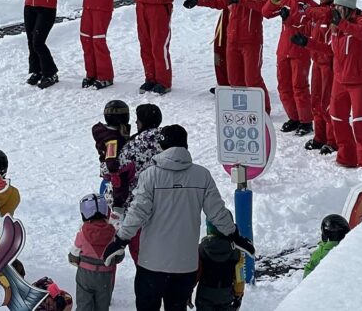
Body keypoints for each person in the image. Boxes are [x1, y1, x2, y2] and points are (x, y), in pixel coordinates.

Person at [102, 125, 254, 311]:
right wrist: (234, 235)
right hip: (185, 266)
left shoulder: (150, 176)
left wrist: (120, 240)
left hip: (151, 264)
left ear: (162, 146)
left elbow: (137, 213)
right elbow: (217, 213)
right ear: (185, 145)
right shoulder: (202, 176)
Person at [184, 0, 271, 111]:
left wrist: (242, 0)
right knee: (234, 80)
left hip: (251, 40)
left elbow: (264, 5)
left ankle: (263, 111)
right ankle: (242, 111)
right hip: (233, 39)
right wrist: (199, 0)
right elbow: (221, 1)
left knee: (253, 79)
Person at [327, 0, 362, 169]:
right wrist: (306, 43)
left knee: (360, 125)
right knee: (337, 119)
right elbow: (328, 50)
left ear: (348, 8)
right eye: (335, 7)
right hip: (340, 81)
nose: (336, 11)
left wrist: (342, 24)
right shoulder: (336, 26)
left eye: (340, 7)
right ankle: (346, 158)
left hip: (361, 82)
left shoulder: (361, 22)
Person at [263, 0, 314, 133]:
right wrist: (272, 1)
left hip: (300, 52)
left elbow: (304, 25)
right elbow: (266, 13)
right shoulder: (285, 1)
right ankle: (294, 117)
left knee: (299, 87)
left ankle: (306, 121)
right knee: (284, 87)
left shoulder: (310, 6)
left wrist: (288, 18)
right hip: (283, 51)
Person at [295, 0, 338, 152]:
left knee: (327, 103)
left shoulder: (333, 10)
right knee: (316, 101)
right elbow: (310, 26)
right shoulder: (317, 12)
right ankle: (319, 137)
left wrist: (308, 10)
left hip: (329, 64)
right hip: (317, 62)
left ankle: (332, 140)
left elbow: (325, 14)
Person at [69, 194, 118, 311]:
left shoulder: (83, 233)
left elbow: (73, 255)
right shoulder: (113, 233)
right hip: (105, 276)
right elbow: (119, 256)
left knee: (83, 304)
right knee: (102, 305)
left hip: (85, 275)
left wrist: (78, 262)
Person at [195, 222, 245, 311]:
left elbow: (196, 273)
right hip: (226, 294)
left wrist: (188, 290)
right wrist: (238, 295)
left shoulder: (201, 249)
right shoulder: (236, 251)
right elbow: (239, 277)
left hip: (205, 293)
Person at [92, 100, 129, 194]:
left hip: (107, 176)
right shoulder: (112, 139)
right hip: (113, 177)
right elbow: (110, 157)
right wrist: (114, 174)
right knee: (109, 203)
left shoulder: (104, 132)